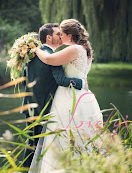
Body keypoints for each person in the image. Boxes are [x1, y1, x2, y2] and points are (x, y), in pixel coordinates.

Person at [29, 19, 103, 172]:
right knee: (79, 138)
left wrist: (36, 49)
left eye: (61, 34)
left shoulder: (74, 49)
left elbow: (49, 59)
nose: (60, 38)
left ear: (70, 36)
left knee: (62, 138)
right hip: (83, 97)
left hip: (69, 99)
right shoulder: (84, 49)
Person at [22, 23, 84, 169]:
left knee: (32, 144)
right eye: (58, 34)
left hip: (29, 106)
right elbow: (61, 80)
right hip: (44, 109)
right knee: (41, 147)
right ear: (49, 38)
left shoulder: (30, 56)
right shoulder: (53, 58)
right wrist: (81, 82)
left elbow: (25, 78)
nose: (61, 36)